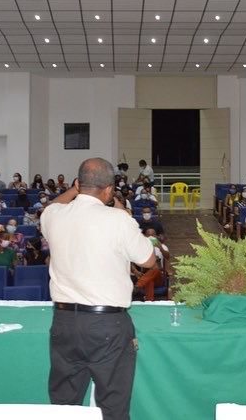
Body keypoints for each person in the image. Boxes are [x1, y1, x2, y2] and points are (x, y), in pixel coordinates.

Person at [42, 158, 155, 420]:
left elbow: (53, 205)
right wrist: (122, 211)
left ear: (78, 184)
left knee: (63, 406)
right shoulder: (118, 220)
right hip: (107, 325)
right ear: (109, 190)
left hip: (64, 322)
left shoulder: (53, 216)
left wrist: (74, 189)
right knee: (113, 406)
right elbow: (148, 260)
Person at [133, 229, 169, 302]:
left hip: (159, 277)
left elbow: (168, 257)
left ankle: (137, 286)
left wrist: (160, 248)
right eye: (148, 235)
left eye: (153, 235)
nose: (151, 237)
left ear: (156, 236)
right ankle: (149, 301)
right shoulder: (140, 248)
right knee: (149, 280)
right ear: (145, 237)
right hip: (145, 275)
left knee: (155, 269)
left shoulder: (163, 246)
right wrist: (135, 271)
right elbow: (131, 261)